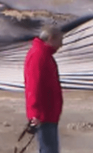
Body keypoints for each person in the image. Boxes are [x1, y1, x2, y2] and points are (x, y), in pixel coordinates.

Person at [24, 25, 64, 153]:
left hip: (48, 114)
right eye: (60, 40)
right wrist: (35, 113)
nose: (61, 45)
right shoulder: (38, 55)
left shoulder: (44, 54)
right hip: (43, 116)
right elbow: (34, 86)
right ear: (51, 38)